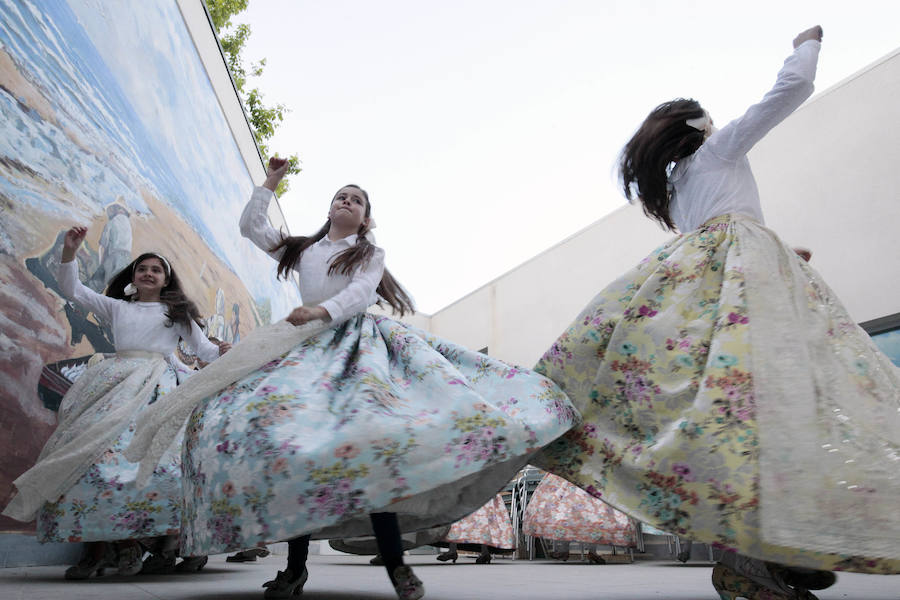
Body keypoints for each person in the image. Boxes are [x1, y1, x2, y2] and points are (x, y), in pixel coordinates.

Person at [532, 25, 900, 600]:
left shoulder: (676, 188)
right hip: (743, 276)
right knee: (783, 412)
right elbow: (794, 86)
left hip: (713, 284)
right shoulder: (718, 148)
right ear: (700, 127)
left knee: (734, 424)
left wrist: (772, 258)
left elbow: (722, 239)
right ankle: (759, 558)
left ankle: (774, 550)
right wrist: (806, 43)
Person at [166, 157, 578, 600]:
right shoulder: (304, 248)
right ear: (329, 210)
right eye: (340, 197)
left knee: (371, 450)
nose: (346, 201)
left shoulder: (370, 253)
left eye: (356, 199)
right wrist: (271, 181)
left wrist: (323, 311)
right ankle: (295, 568)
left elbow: (361, 292)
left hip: (358, 350)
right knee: (295, 446)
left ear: (366, 217)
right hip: (304, 353)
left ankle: (398, 568)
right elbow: (252, 226)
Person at [2, 227, 229, 580]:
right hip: (113, 382)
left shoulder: (176, 313)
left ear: (166, 279)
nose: (148, 273)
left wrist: (223, 352)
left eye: (157, 269)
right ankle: (101, 548)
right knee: (88, 457)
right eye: (142, 268)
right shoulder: (116, 307)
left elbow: (205, 351)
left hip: (156, 386)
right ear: (133, 277)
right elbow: (73, 290)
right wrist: (69, 253)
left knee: (147, 464)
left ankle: (139, 544)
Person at [522, 472, 638, 564]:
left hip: (584, 473)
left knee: (575, 511)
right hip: (578, 474)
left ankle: (579, 550)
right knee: (571, 511)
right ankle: (568, 550)